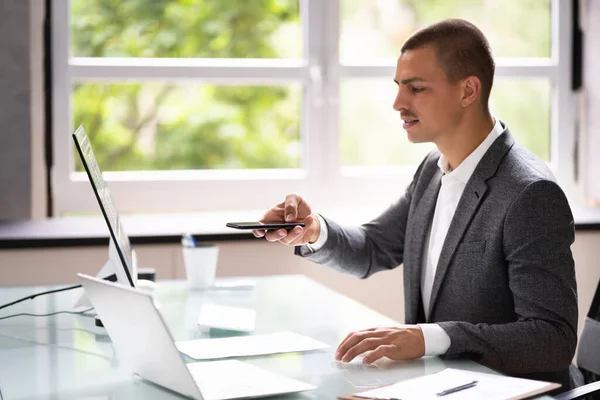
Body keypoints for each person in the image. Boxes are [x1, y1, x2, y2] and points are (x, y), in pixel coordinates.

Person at [253, 19, 578, 388]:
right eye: (399, 87)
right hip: (441, 388)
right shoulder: (432, 171)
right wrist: (313, 230)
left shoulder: (530, 194)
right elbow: (374, 248)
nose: (398, 103)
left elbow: (553, 340)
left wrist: (429, 338)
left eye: (416, 88)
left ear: (468, 91)